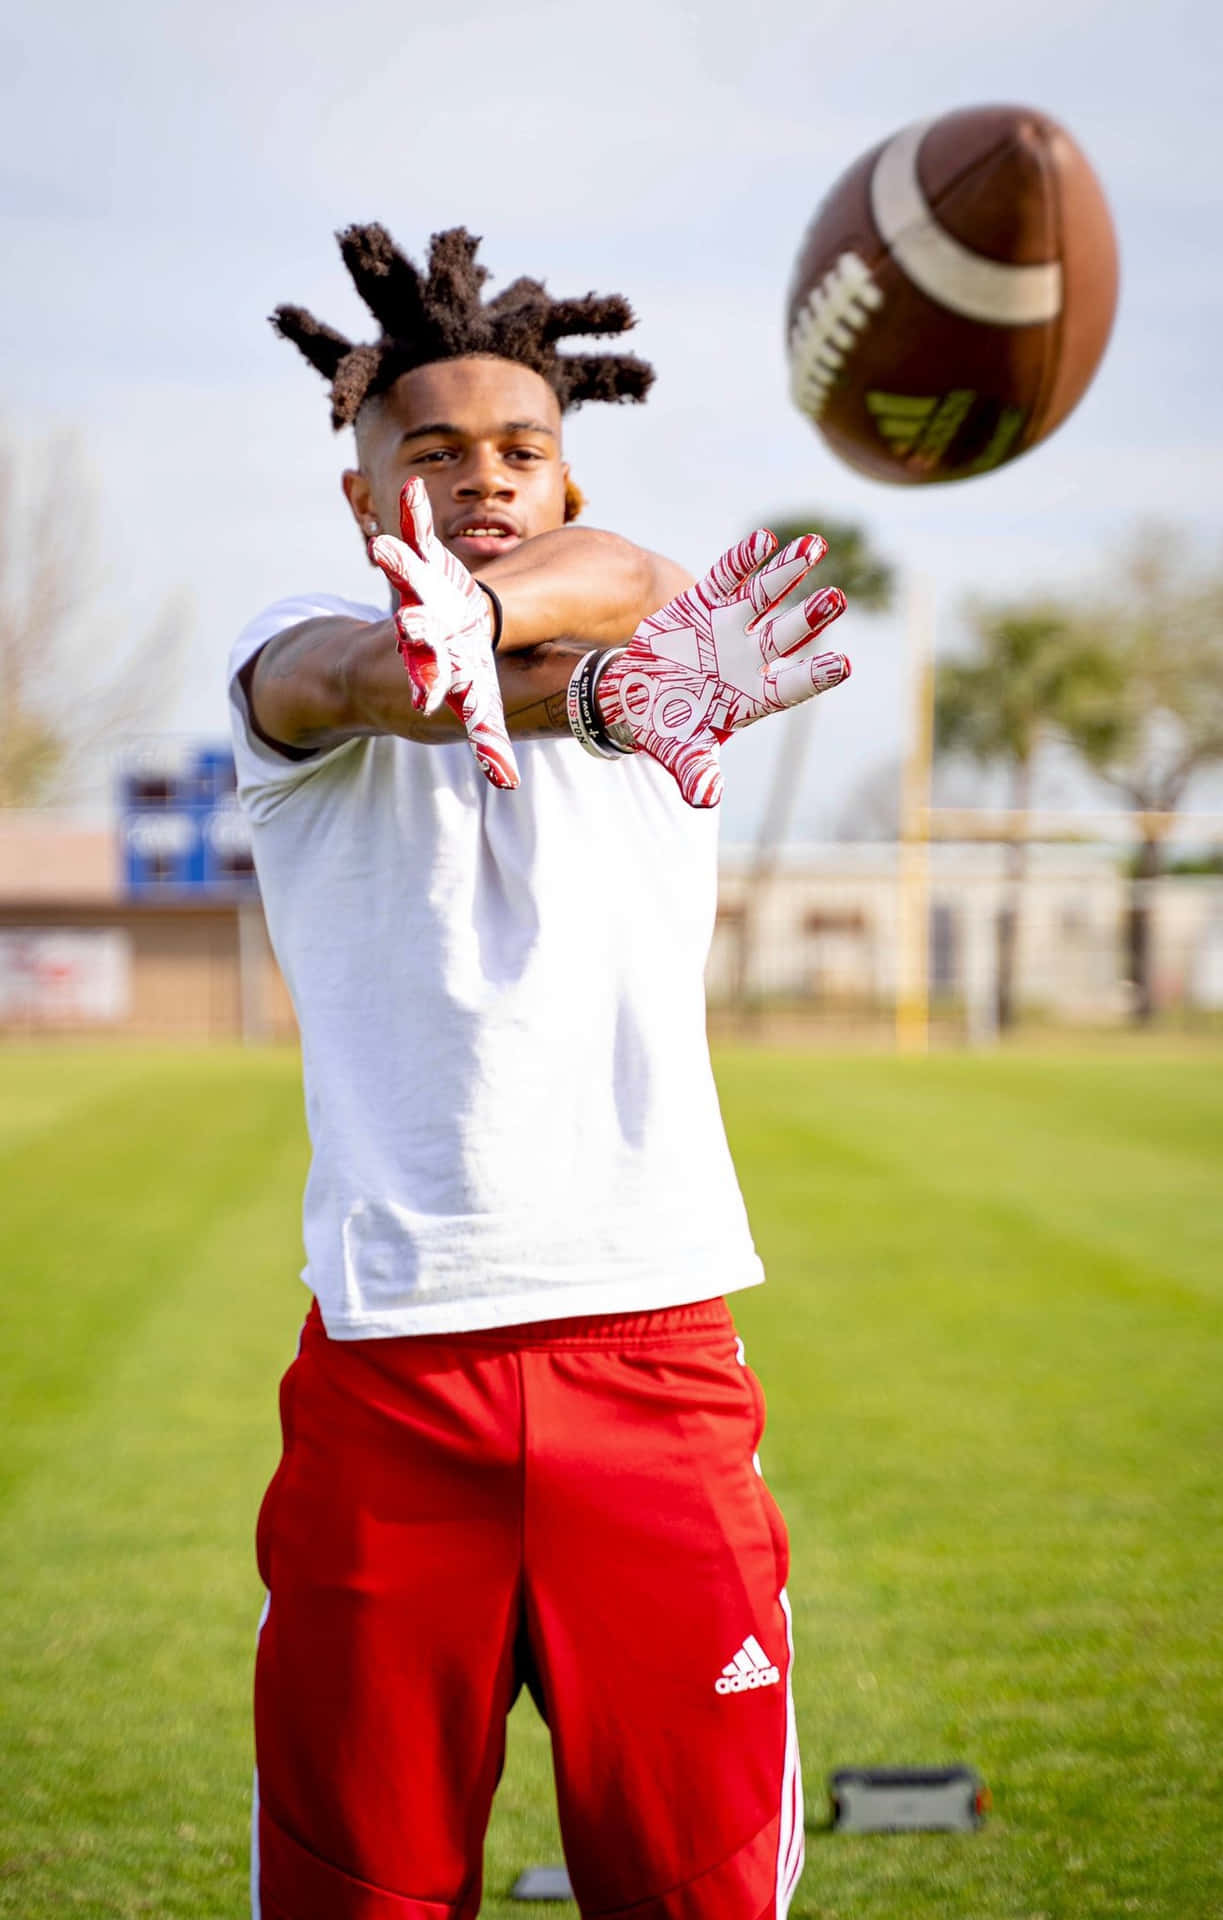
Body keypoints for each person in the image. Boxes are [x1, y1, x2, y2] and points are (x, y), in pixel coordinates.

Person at [229, 221, 850, 1920]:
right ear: (365, 501)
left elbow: (630, 585)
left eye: (524, 451)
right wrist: (444, 644)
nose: (486, 476)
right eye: (431, 455)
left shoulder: (653, 664)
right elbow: (366, 679)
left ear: (566, 479)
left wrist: (546, 660)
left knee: (697, 1892)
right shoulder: (294, 660)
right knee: (363, 1893)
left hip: (652, 1363)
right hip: (388, 1390)